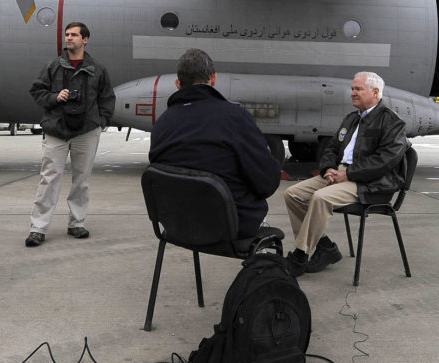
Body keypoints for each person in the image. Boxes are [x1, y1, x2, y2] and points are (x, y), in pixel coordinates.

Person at [284, 72, 410, 277]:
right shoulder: (351, 119)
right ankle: (325, 246)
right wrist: (328, 170)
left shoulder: (392, 122)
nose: (352, 93)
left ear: (375, 92)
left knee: (320, 198)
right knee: (292, 194)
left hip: (370, 183)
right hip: (341, 174)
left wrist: (349, 174)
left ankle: (300, 255)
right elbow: (331, 148)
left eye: (358, 89)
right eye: (352, 89)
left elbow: (386, 160)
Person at [149, 48, 281, 238]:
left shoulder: (162, 124)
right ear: (213, 79)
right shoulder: (235, 118)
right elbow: (267, 183)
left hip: (177, 226)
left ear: (178, 84)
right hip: (229, 226)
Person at [25, 22, 115, 246]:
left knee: (81, 180)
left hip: (87, 130)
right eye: (67, 35)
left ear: (85, 39)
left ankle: (76, 223)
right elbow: (37, 91)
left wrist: (100, 122)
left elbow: (107, 98)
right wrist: (56, 96)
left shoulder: (97, 68)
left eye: (74, 35)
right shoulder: (53, 66)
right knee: (49, 178)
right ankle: (38, 228)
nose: (69, 38)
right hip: (56, 129)